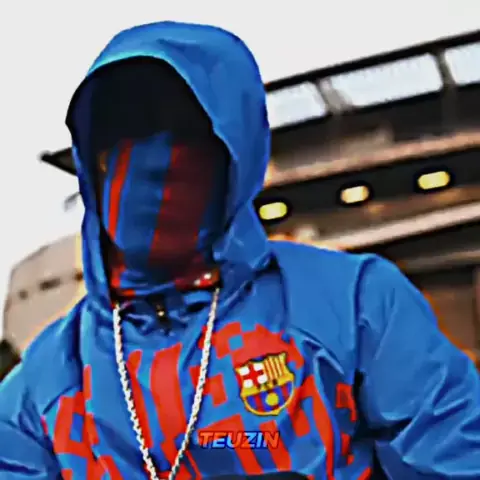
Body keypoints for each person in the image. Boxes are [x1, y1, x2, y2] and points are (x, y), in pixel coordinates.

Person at [0, 21, 479, 480]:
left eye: (188, 131)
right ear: (92, 160)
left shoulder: (356, 305)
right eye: (126, 130)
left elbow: (456, 462)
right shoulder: (39, 391)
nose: (157, 160)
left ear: (237, 155)